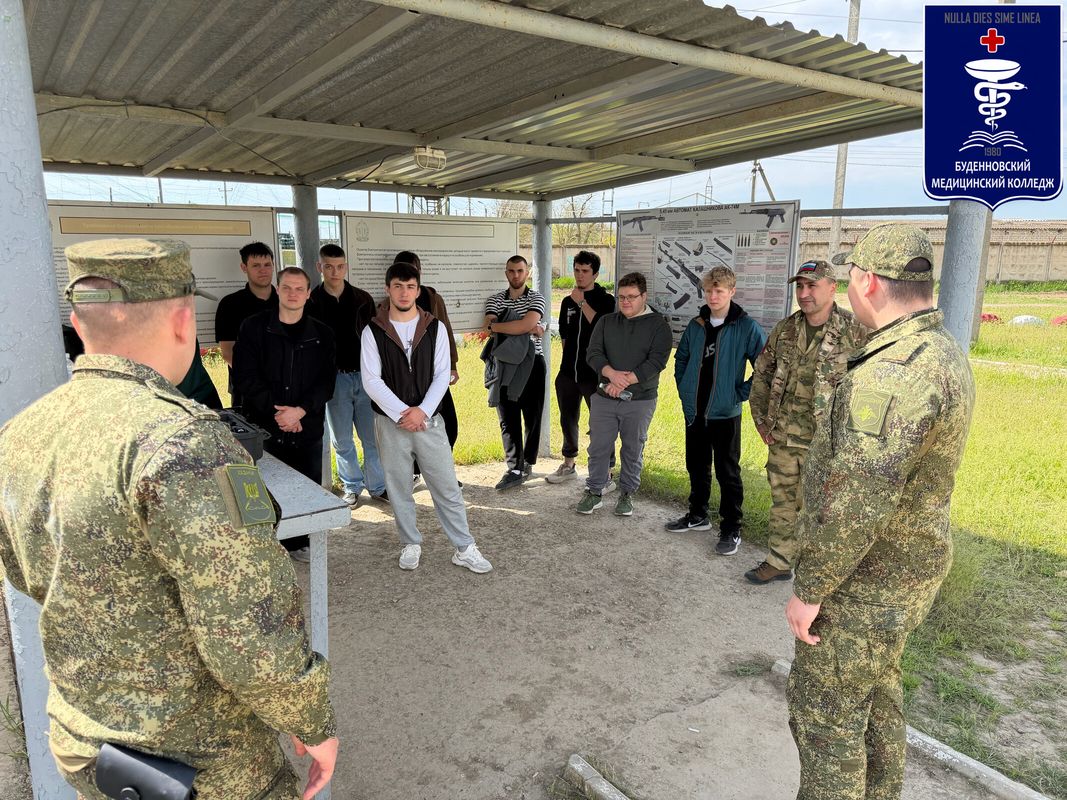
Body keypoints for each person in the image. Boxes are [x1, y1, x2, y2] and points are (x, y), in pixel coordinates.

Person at [0, 238, 337, 800]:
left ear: (79, 324)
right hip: (199, 758)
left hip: (87, 744)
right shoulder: (186, 444)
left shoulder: (21, 434)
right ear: (184, 322)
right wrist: (311, 721)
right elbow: (247, 625)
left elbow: (23, 572)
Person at [786, 224, 975, 800]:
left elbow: (859, 501)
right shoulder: (938, 350)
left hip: (866, 582)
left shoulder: (894, 373)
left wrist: (811, 589)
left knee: (825, 718)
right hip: (901, 574)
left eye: (849, 277)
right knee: (876, 700)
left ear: (867, 282)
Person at [361, 261, 493, 574]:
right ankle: (410, 542)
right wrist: (402, 413)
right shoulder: (373, 330)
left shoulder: (435, 328)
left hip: (429, 421)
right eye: (398, 286)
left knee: (446, 486)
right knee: (399, 487)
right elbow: (371, 380)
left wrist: (421, 411)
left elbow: (442, 374)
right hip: (390, 423)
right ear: (388, 289)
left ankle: (464, 547)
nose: (404, 293)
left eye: (410, 287)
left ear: (418, 290)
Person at [745, 260, 868, 584]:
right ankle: (779, 561)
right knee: (783, 503)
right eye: (800, 286)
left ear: (832, 288)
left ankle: (820, 573)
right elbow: (762, 374)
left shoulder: (855, 330)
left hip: (826, 442)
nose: (804, 293)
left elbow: (870, 386)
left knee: (824, 509)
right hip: (784, 436)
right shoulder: (785, 329)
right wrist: (761, 421)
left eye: (812, 286)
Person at [233, 267, 336, 562]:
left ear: (308, 293)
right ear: (277, 290)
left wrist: (300, 412)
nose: (293, 294)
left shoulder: (323, 334)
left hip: (307, 426)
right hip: (264, 426)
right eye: (287, 287)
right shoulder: (253, 327)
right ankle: (267, 547)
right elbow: (245, 376)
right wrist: (278, 413)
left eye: (299, 288)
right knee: (263, 491)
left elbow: (326, 382)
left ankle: (300, 542)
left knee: (306, 487)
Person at [668, 266, 766, 555]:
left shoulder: (745, 327)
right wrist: (685, 387)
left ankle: (731, 527)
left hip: (725, 414)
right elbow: (681, 359)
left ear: (732, 292)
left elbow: (765, 369)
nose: (713, 296)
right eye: (709, 290)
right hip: (695, 411)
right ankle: (698, 514)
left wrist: (739, 394)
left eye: (719, 291)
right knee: (696, 466)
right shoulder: (697, 324)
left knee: (727, 472)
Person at [577, 272, 671, 517]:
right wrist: (610, 374)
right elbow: (593, 353)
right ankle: (595, 491)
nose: (625, 302)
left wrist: (624, 381)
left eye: (631, 297)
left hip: (640, 399)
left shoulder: (658, 325)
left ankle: (627, 494)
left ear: (644, 296)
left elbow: (657, 361)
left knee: (632, 448)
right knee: (599, 446)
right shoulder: (606, 322)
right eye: (621, 297)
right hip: (604, 397)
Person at [308, 244, 386, 506]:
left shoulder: (362, 299)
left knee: (371, 438)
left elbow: (376, 338)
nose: (335, 272)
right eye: (328, 266)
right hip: (334, 380)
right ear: (320, 267)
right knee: (342, 440)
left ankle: (378, 486)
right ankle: (352, 486)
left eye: (340, 266)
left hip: (365, 377)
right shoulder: (312, 301)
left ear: (346, 267)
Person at [545, 251, 616, 485]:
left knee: (600, 423)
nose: (580, 275)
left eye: (585, 271)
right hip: (568, 373)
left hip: (594, 375)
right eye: (576, 270)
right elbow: (564, 336)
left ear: (595, 274)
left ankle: (606, 471)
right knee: (567, 419)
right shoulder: (567, 302)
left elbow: (600, 327)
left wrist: (582, 302)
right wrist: (566, 365)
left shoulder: (606, 300)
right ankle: (569, 464)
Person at [483, 255, 548, 489]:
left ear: (527, 272)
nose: (516, 275)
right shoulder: (494, 300)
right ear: (506, 273)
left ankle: (527, 462)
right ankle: (514, 468)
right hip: (503, 364)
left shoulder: (536, 298)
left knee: (533, 416)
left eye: (520, 270)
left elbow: (521, 324)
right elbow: (490, 327)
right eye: (511, 271)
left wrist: (504, 326)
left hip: (533, 363)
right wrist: (526, 327)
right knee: (507, 417)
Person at [214, 242, 278, 407]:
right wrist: (256, 382)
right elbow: (228, 352)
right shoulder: (230, 304)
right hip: (247, 390)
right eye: (256, 265)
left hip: (285, 387)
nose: (263, 270)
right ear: (244, 267)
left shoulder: (286, 301)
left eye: (267, 265)